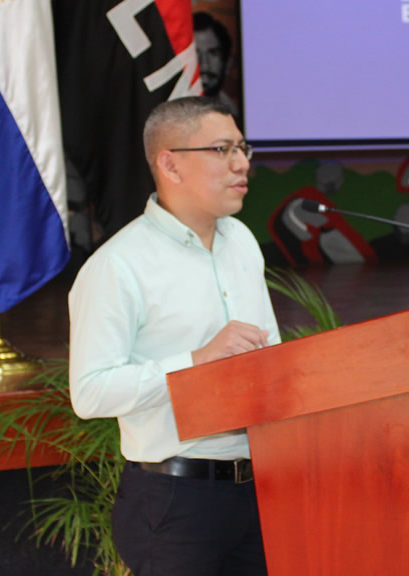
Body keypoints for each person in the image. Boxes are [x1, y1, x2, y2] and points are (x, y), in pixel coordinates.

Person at [68, 96, 279, 576]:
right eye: (223, 149)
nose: (242, 163)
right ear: (170, 164)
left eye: (243, 148)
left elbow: (271, 355)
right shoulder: (118, 266)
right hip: (176, 502)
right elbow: (90, 391)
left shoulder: (242, 241)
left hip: (261, 488)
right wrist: (196, 361)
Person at [193, 12, 240, 119]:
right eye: (196, 53)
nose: (204, 65)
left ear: (228, 63)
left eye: (213, 53)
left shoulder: (237, 118)